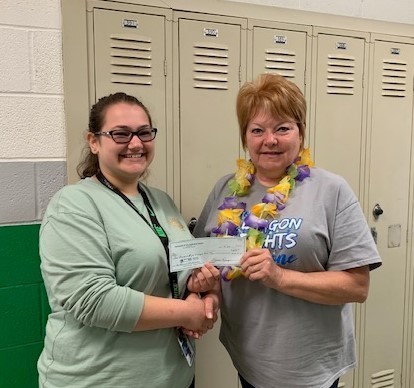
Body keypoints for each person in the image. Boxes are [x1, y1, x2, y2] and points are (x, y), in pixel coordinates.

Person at [193, 73, 382, 388]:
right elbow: (210, 263)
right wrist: (207, 286)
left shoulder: (331, 190)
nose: (270, 140)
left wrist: (277, 277)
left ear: (300, 132)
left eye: (282, 128)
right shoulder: (226, 189)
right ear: (245, 137)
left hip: (309, 368)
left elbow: (357, 287)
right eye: (257, 130)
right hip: (248, 358)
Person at [37, 92, 219, 388]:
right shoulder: (73, 204)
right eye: (120, 134)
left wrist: (203, 292)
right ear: (93, 141)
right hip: (100, 379)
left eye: (144, 133)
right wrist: (188, 313)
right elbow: (94, 300)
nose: (136, 143)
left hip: (174, 376)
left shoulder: (161, 202)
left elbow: (176, 273)